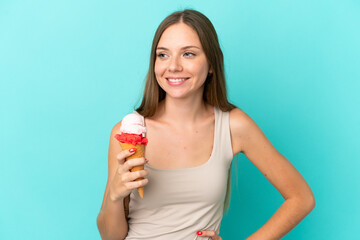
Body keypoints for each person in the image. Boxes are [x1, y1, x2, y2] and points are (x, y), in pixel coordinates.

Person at [96, 9, 315, 240]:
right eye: (163, 55)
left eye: (188, 54)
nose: (173, 66)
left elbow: (301, 198)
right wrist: (115, 195)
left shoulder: (233, 126)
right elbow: (111, 237)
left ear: (211, 64)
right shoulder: (124, 133)